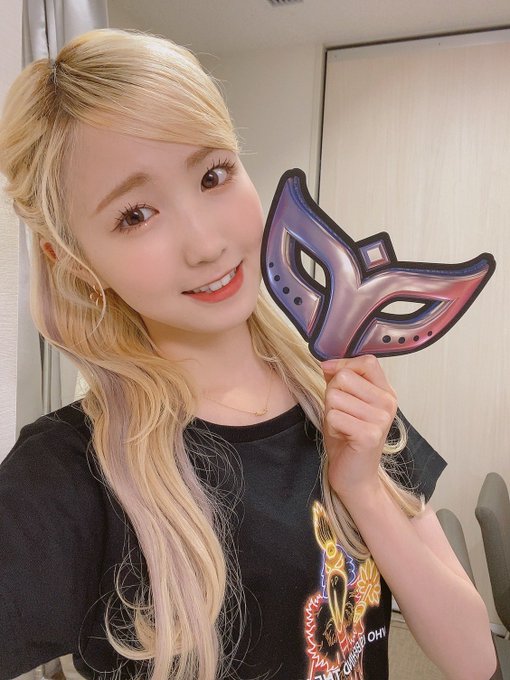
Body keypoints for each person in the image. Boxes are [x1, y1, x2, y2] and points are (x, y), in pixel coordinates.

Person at [0, 27, 496, 680]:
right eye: (135, 215)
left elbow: (473, 658)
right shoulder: (66, 472)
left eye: (213, 174)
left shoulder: (343, 400)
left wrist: (362, 488)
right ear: (73, 260)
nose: (206, 244)